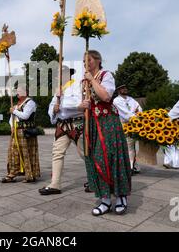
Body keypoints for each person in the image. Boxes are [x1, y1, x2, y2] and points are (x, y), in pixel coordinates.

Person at [81, 50, 131, 216]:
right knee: (95, 159)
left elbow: (106, 96)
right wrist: (83, 105)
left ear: (98, 60)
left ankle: (121, 196)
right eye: (83, 60)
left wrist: (91, 80)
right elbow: (84, 104)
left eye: (88, 59)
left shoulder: (105, 75)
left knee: (112, 157)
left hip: (108, 122)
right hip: (92, 125)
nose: (85, 63)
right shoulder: (84, 81)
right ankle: (105, 199)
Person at [39, 67, 87, 195]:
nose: (58, 77)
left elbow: (80, 104)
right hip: (62, 125)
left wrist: (62, 104)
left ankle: (95, 180)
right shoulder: (58, 90)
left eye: (61, 74)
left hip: (77, 123)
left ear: (69, 75)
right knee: (57, 153)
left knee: (86, 154)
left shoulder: (78, 86)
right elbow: (51, 107)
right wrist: (54, 110)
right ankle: (55, 184)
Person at [0, 84, 40, 183]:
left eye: (19, 91)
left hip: (26, 132)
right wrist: (12, 126)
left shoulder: (30, 103)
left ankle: (30, 175)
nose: (17, 93)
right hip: (16, 132)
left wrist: (14, 111)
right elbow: (11, 119)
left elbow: (25, 116)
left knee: (26, 153)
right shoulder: (17, 104)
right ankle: (12, 174)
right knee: (13, 153)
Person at [113, 85, 142, 174]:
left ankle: (134, 165)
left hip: (134, 125)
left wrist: (137, 114)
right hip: (123, 125)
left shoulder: (131, 99)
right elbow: (124, 113)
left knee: (134, 147)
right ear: (118, 90)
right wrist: (134, 114)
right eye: (122, 88)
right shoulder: (116, 100)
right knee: (128, 147)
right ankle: (129, 167)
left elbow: (139, 109)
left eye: (126, 88)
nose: (125, 89)